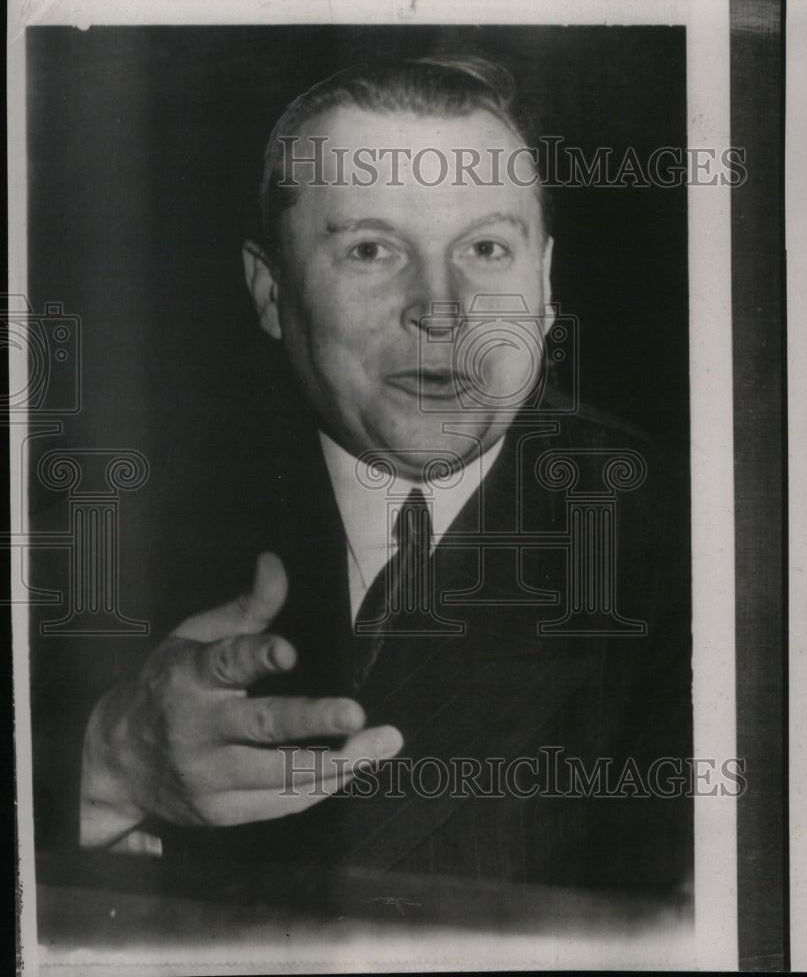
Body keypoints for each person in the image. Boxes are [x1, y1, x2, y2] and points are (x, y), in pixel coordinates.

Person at [74, 56, 692, 888]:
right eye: (372, 249)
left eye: (485, 247)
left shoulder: (694, 541)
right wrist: (105, 767)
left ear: (544, 287)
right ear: (269, 289)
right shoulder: (111, 513)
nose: (441, 307)